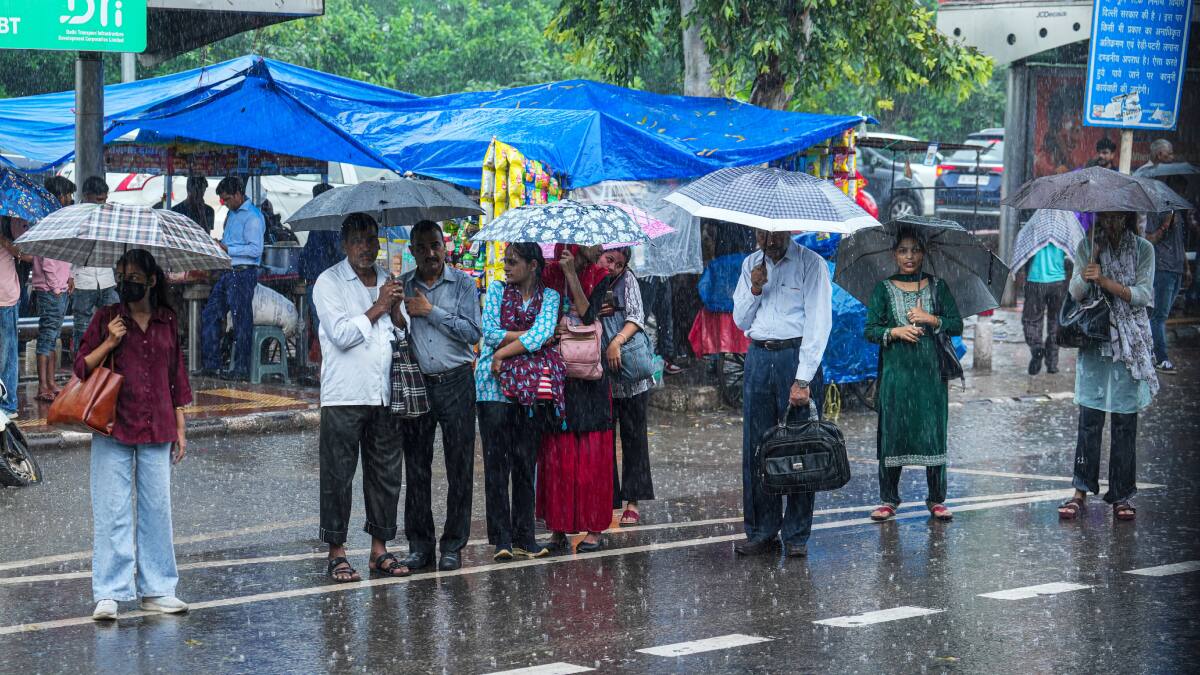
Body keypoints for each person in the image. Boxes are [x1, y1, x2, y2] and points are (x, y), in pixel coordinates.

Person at [74, 249, 191, 620]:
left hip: (157, 425)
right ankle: (109, 592)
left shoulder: (167, 320)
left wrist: (181, 428)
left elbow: (176, 377)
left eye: (135, 276)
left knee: (157, 510)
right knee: (112, 511)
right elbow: (80, 368)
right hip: (113, 427)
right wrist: (108, 342)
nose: (127, 281)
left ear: (152, 280)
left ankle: (157, 589)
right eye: (122, 274)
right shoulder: (105, 318)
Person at [312, 213, 410, 582]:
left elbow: (401, 334)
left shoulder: (387, 280)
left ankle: (379, 550)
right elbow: (340, 335)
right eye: (359, 240)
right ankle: (337, 552)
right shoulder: (329, 282)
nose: (367, 247)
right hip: (344, 394)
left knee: (385, 474)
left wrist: (397, 312)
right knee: (339, 475)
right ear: (344, 244)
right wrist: (379, 307)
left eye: (372, 239)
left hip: (383, 392)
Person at [731, 230, 831, 558]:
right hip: (759, 356)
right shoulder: (750, 264)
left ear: (788, 230)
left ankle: (797, 534)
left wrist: (803, 378)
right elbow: (741, 320)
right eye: (761, 234)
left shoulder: (811, 264)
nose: (768, 239)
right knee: (757, 447)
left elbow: (819, 322)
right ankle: (762, 530)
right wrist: (755, 287)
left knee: (800, 448)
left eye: (774, 234)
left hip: (794, 357)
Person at [1058, 212, 1157, 522]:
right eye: (1105, 216)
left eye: (1116, 216)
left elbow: (1143, 295)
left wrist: (1106, 282)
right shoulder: (1088, 246)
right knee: (1089, 417)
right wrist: (1090, 270)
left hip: (1130, 342)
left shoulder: (1143, 250)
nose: (1110, 222)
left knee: (1125, 422)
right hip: (1095, 339)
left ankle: (1122, 494)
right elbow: (1075, 293)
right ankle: (1080, 491)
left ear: (1126, 217)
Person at [863, 229, 963, 522]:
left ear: (924, 254)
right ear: (894, 254)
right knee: (893, 434)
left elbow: (956, 325)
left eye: (915, 250)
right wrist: (895, 331)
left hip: (930, 377)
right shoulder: (883, 289)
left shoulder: (937, 287)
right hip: (897, 377)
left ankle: (936, 499)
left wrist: (931, 318)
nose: (909, 257)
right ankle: (888, 499)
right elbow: (869, 330)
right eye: (903, 251)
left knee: (933, 433)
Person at [400, 220, 482, 572]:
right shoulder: (402, 285)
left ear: (444, 247)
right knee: (416, 467)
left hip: (457, 381)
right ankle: (420, 545)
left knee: (459, 467)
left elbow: (472, 332)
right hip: (418, 383)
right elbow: (396, 332)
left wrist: (431, 312)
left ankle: (453, 545)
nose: (431, 253)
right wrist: (396, 311)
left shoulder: (463, 282)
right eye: (423, 247)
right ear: (413, 251)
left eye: (436, 245)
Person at [476, 242, 562, 561]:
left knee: (526, 462)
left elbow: (541, 333)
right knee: (497, 464)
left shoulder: (550, 296)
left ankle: (525, 536)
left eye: (513, 262)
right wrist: (525, 336)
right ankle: (501, 539)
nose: (506, 267)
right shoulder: (497, 291)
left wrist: (502, 351)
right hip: (491, 387)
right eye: (505, 262)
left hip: (531, 389)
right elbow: (490, 331)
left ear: (533, 265)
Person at [537, 244, 614, 553]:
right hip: (559, 375)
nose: (599, 249)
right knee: (558, 450)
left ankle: (594, 528)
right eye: (593, 245)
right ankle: (558, 529)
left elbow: (588, 313)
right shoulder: (548, 274)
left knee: (591, 452)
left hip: (591, 377)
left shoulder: (600, 276)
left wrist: (573, 275)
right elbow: (542, 313)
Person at [597, 247, 656, 526]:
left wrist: (616, 342)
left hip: (630, 372)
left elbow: (636, 317)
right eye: (609, 259)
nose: (612, 267)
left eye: (618, 264)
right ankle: (607, 500)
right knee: (603, 438)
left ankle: (632, 501)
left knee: (634, 437)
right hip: (599, 373)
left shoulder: (628, 280)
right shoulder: (588, 280)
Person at [200, 177, 265, 380]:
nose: (225, 203)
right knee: (211, 314)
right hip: (229, 271)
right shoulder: (232, 214)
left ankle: (241, 369)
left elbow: (256, 250)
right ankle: (212, 365)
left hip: (244, 273)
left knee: (241, 321)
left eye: (227, 199)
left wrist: (229, 248)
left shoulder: (253, 217)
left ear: (238, 194)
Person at [31, 181, 73, 402]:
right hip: (50, 289)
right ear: (58, 196)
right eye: (66, 195)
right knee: (47, 336)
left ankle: (51, 382)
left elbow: (63, 255)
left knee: (53, 335)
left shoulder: (59, 220)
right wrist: (57, 287)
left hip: (59, 286)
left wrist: (69, 277)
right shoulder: (48, 221)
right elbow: (47, 259)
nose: (69, 199)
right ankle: (43, 386)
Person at [1144, 175, 1191, 374]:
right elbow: (1149, 239)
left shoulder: (1179, 213)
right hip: (1163, 267)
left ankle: (1150, 351)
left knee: (1161, 315)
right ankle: (1161, 358)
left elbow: (1180, 243)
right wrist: (1165, 224)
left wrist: (1186, 267)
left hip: (1177, 268)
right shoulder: (1158, 211)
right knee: (1159, 316)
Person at [71, 176, 120, 354]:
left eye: (105, 199)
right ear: (86, 195)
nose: (103, 203)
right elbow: (68, 250)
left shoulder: (109, 216)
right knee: (82, 326)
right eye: (99, 200)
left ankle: (109, 364)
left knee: (115, 320)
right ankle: (80, 368)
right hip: (83, 279)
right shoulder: (75, 217)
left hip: (106, 278)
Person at [298, 183, 343, 353]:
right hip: (316, 280)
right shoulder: (324, 221)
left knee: (323, 327)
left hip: (321, 281)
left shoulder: (328, 221)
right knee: (322, 327)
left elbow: (338, 253)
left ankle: (327, 364)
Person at [1021, 240, 1070, 375]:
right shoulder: (1062, 231)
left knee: (1032, 320)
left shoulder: (1035, 230)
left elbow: (1024, 255)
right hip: (1058, 281)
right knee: (1055, 323)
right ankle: (1052, 364)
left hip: (1035, 279)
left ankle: (1037, 347)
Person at [0, 217, 28, 417]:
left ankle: (8, 404)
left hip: (6, 299)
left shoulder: (10, 223)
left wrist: (4, 241)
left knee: (7, 354)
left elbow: (26, 255)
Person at [639, 274, 683, 374]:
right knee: (642, 317)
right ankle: (642, 358)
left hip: (663, 276)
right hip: (646, 277)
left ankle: (665, 358)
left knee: (666, 318)